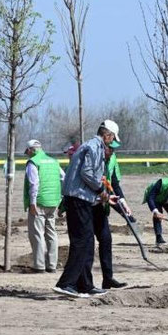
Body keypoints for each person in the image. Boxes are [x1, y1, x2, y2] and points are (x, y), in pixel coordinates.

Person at [54, 120, 121, 298]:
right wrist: (100, 191)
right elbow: (87, 173)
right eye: (112, 137)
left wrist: (103, 195)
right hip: (78, 199)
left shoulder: (93, 147)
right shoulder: (94, 147)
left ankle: (85, 284)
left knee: (88, 242)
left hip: (82, 198)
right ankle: (66, 283)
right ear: (107, 134)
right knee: (81, 241)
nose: (111, 142)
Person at [89, 140, 128, 288]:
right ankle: (86, 282)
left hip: (102, 205)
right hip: (88, 204)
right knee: (87, 244)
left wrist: (123, 203)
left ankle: (108, 278)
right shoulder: (93, 157)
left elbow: (115, 184)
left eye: (114, 150)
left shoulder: (111, 160)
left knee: (106, 240)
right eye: (110, 149)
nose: (112, 152)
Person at [24, 139, 65, 273]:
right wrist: (61, 197)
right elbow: (63, 177)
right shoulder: (53, 161)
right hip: (53, 201)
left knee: (37, 234)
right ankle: (52, 265)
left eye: (27, 150)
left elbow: (34, 184)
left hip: (40, 202)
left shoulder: (33, 162)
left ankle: (40, 265)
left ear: (31, 150)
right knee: (51, 233)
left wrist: (32, 203)